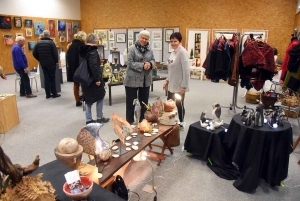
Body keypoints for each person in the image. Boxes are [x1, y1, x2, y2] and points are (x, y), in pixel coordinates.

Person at [123, 30, 155, 124]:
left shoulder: (150, 49)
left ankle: (142, 121)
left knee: (144, 103)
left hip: (145, 80)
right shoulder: (132, 48)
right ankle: (129, 122)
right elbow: (129, 63)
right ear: (139, 37)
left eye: (146, 38)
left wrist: (150, 64)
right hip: (132, 80)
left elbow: (153, 60)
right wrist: (142, 65)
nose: (144, 40)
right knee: (131, 104)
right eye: (142, 38)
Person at [79, 33, 109, 124]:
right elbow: (93, 66)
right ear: (95, 41)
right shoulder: (93, 51)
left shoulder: (82, 50)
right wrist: (97, 80)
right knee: (100, 96)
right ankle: (99, 117)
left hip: (84, 78)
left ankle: (88, 119)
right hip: (93, 79)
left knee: (88, 98)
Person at [163, 32, 189, 127]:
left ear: (180, 41)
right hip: (172, 84)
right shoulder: (173, 52)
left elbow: (186, 70)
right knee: (169, 104)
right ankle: (169, 121)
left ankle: (181, 122)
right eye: (172, 41)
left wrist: (184, 86)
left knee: (179, 105)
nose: (173, 43)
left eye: (175, 41)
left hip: (179, 85)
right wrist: (167, 80)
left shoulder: (182, 52)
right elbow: (171, 69)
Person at [33, 30, 60, 99]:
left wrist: (40, 59)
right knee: (52, 78)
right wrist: (56, 61)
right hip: (51, 63)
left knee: (46, 78)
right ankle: (54, 93)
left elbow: (34, 53)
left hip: (43, 63)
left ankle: (47, 94)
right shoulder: (51, 43)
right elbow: (55, 53)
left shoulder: (38, 43)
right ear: (49, 35)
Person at [66, 31, 87, 107]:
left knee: (76, 84)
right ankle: (84, 97)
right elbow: (83, 58)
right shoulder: (82, 45)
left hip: (72, 67)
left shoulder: (71, 45)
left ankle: (77, 100)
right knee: (84, 83)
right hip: (80, 67)